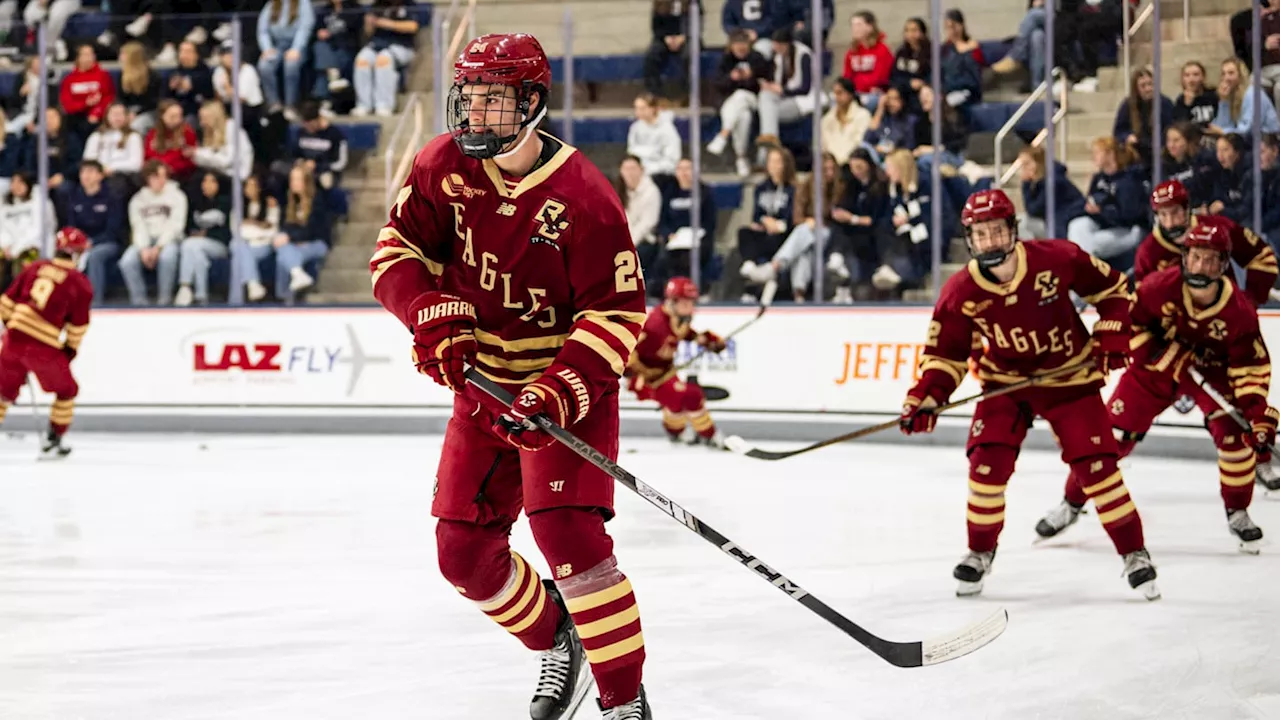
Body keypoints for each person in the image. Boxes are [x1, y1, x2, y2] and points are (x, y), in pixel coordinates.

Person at [367, 33, 652, 719]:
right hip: (483, 392)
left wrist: (556, 388)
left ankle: (623, 701)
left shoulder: (585, 196)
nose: (475, 113)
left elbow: (616, 314)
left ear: (532, 102)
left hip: (561, 395)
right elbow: (395, 251)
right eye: (469, 97)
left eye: (495, 100)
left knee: (571, 543)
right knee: (462, 553)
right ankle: (561, 639)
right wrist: (428, 312)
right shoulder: (439, 164)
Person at [898, 188, 1160, 600]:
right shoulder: (960, 291)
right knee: (986, 465)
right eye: (980, 234)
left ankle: (1134, 553)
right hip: (1006, 385)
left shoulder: (1057, 259)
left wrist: (1111, 334)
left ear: (1012, 230)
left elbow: (1115, 292)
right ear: (969, 239)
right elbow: (945, 355)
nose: (989, 242)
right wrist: (927, 396)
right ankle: (979, 553)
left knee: (1098, 469)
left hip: (1069, 379)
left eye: (996, 231)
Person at [1034, 221, 1276, 553]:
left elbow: (1250, 367)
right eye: (1195, 257)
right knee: (1108, 439)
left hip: (1212, 376)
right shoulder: (1158, 287)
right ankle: (1071, 503)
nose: (1200, 266)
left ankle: (1238, 511)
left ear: (1223, 264)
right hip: (1152, 374)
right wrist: (1159, 352)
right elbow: (1127, 323)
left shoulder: (1238, 311)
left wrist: (1255, 411)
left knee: (1236, 435)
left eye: (1210, 259)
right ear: (1184, 257)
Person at [0, 226, 92, 459]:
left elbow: (6, 303)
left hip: (13, 339)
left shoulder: (35, 268)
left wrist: (10, 327)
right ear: (75, 253)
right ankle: (54, 439)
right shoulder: (79, 283)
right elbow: (78, 326)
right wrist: (69, 351)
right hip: (43, 346)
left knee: (3, 391)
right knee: (67, 390)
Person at [1137, 180, 1277, 307]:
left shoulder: (1219, 227)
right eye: (1163, 214)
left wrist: (1250, 298)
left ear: (1187, 208)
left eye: (1175, 212)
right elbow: (1143, 301)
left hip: (1226, 320)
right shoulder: (1148, 251)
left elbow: (1262, 256)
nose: (1170, 222)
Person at [626, 276, 726, 446]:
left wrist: (707, 341)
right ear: (672, 302)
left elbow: (685, 333)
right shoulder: (654, 325)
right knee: (692, 396)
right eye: (686, 303)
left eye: (692, 303)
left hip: (665, 373)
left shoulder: (674, 318)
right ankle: (711, 435)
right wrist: (642, 375)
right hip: (645, 380)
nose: (690, 308)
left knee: (677, 403)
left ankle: (675, 433)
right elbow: (628, 353)